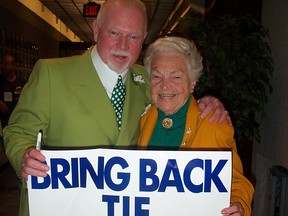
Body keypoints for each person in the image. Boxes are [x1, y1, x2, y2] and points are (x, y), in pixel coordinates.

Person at [3, 1, 230, 215]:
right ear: (96, 30)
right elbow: (18, 132)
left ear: (143, 40)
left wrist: (206, 103)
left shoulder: (148, 80)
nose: (123, 46)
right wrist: (24, 156)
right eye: (114, 33)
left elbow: (177, 99)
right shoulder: (52, 74)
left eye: (133, 36)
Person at [137, 36, 254, 216]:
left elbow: (236, 182)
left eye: (176, 76)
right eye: (157, 76)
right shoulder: (145, 118)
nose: (165, 85)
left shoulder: (214, 123)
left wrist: (238, 204)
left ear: (192, 83)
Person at [0, 55, 26, 128]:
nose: (2, 66)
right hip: (2, 123)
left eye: (5, 64)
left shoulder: (22, 83)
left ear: (14, 65)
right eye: (1, 63)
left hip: (17, 123)